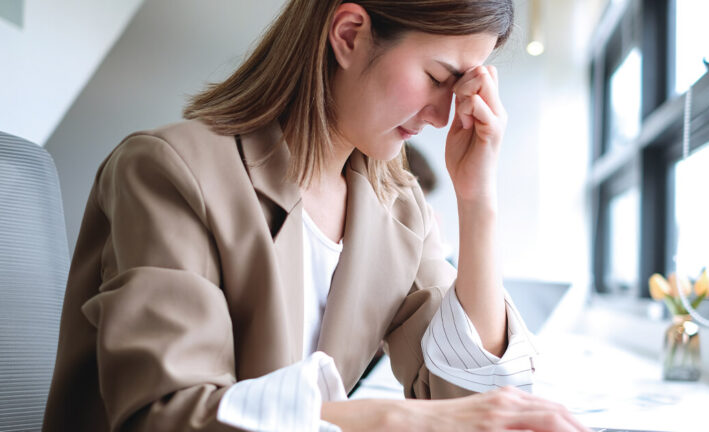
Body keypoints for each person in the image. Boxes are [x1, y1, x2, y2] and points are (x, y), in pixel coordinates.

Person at [43, 1, 590, 431]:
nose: (444, 116)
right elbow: (167, 415)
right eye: (437, 76)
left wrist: (477, 200)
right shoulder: (170, 171)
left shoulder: (399, 212)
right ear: (348, 35)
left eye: (463, 86)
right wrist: (395, 419)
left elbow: (472, 404)